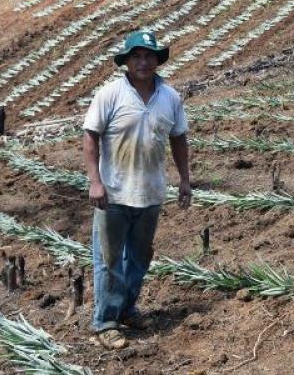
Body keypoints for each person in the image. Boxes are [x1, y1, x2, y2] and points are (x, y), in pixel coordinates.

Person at [83, 30, 191, 349]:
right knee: (109, 259)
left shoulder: (170, 97)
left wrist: (184, 179)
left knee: (140, 258)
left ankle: (127, 309)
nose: (143, 62)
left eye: (148, 56)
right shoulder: (110, 95)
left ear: (157, 60)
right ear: (127, 62)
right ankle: (105, 322)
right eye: (136, 56)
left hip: (150, 193)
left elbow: (178, 138)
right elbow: (90, 137)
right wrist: (95, 181)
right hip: (113, 194)